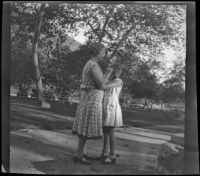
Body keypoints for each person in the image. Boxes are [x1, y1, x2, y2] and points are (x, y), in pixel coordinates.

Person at [72, 43, 122, 165]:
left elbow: (95, 83)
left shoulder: (90, 64)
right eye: (103, 51)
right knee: (86, 127)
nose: (104, 54)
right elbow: (102, 85)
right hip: (92, 101)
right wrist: (108, 74)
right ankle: (79, 155)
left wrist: (86, 85)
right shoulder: (93, 65)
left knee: (84, 127)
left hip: (89, 99)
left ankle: (81, 153)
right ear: (97, 52)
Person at [100, 64, 123, 164]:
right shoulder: (109, 80)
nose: (115, 72)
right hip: (105, 105)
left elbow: (103, 86)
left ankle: (112, 155)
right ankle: (104, 153)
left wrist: (106, 75)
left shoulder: (119, 81)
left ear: (121, 72)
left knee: (111, 131)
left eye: (118, 70)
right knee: (105, 131)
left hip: (112, 107)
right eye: (114, 69)